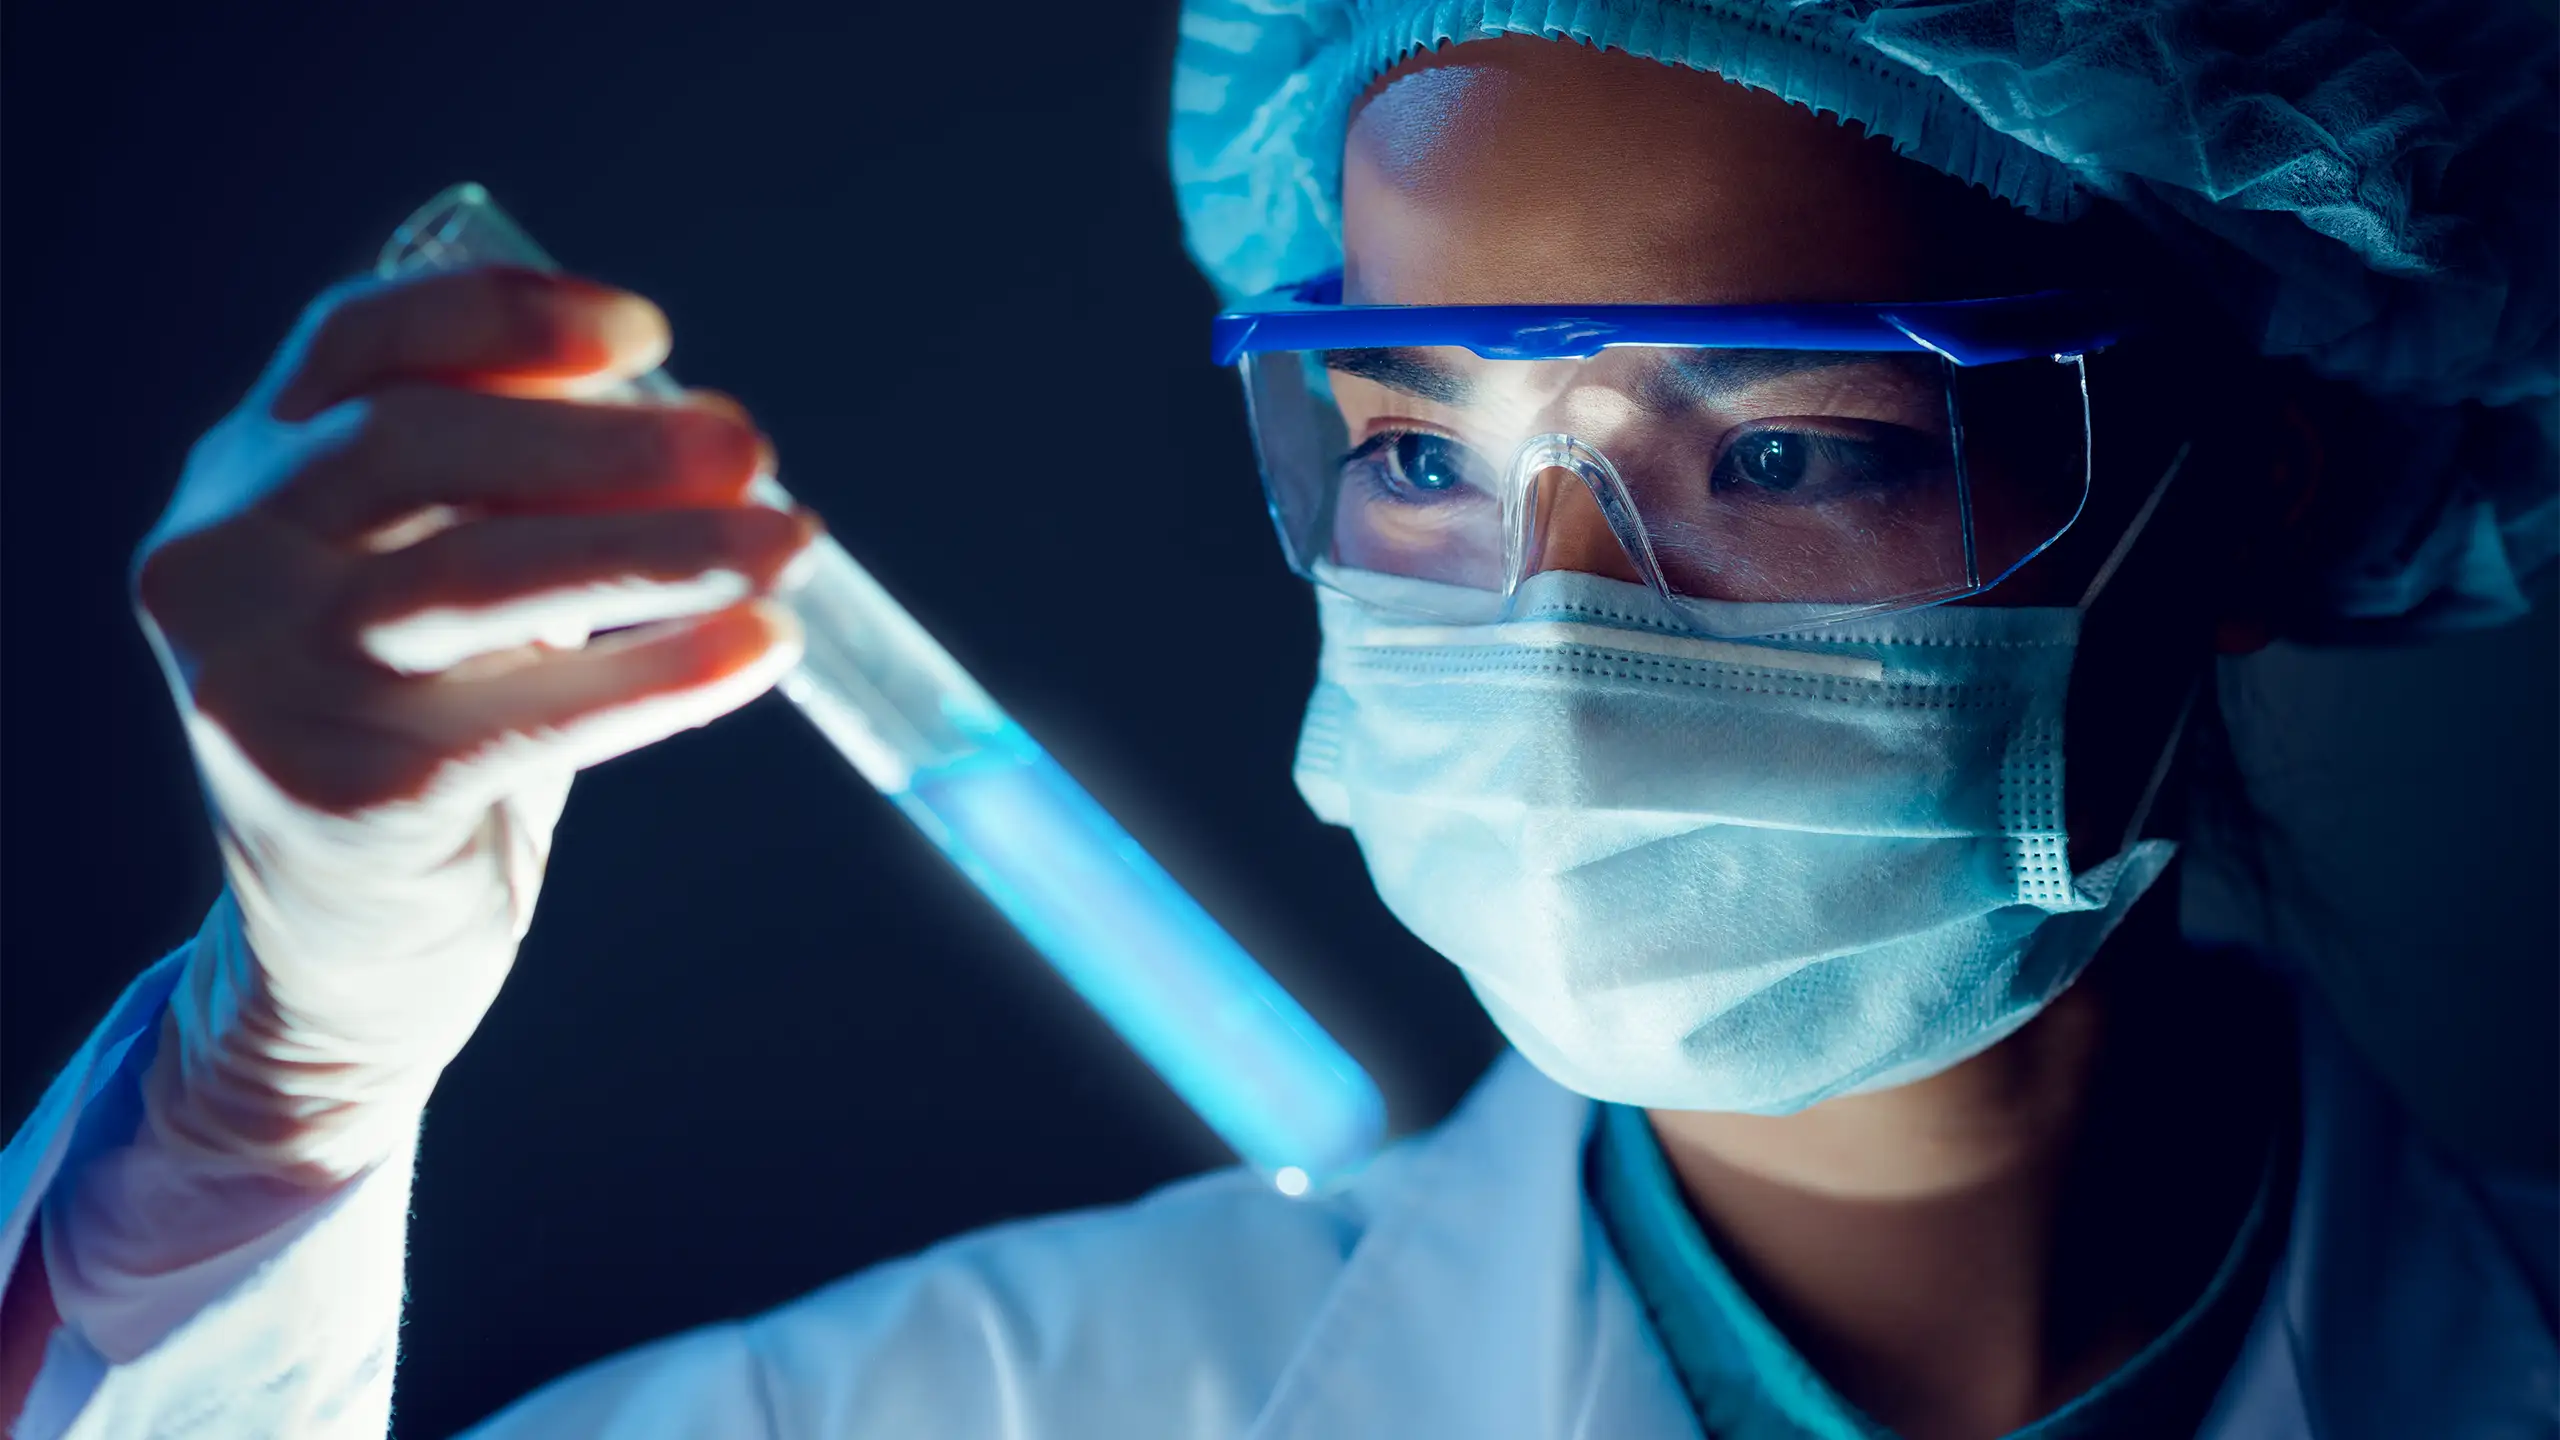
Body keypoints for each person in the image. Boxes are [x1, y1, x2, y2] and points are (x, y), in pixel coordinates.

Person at [3, 2, 2555, 1436]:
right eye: (1420, 453)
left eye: (1784, 447)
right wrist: (271, 1104)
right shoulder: (981, 1410)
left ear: (2238, 499)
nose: (1547, 626)